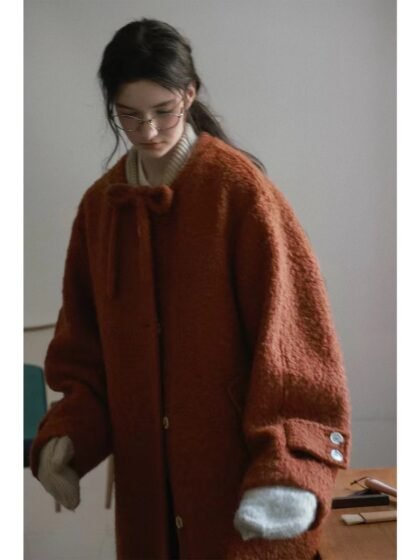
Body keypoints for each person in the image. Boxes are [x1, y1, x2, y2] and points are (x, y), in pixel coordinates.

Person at [29, 18, 351, 560]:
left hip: (236, 484)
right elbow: (83, 348)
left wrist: (289, 468)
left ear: (190, 94)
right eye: (129, 115)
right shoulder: (100, 208)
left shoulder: (239, 192)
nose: (149, 130)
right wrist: (69, 434)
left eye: (164, 111)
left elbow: (295, 340)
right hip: (146, 496)